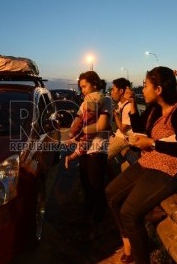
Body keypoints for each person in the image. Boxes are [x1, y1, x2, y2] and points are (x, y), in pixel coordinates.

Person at [105, 66, 177, 263]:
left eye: (145, 85)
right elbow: (142, 131)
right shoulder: (155, 109)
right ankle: (128, 243)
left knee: (129, 212)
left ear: (158, 90)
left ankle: (141, 259)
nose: (142, 89)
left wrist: (153, 143)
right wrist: (131, 105)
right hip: (149, 160)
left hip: (171, 167)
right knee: (111, 194)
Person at [66, 70, 112, 238]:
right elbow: (78, 120)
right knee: (87, 187)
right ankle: (87, 218)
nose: (83, 90)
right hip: (85, 150)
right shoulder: (85, 101)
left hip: (97, 151)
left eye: (84, 86)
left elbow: (103, 125)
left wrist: (81, 131)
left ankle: (97, 223)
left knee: (97, 189)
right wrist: (73, 135)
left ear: (94, 83)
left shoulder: (105, 100)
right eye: (81, 87)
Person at [65, 91, 104, 169]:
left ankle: (70, 156)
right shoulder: (89, 115)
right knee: (82, 148)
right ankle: (70, 158)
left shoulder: (89, 114)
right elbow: (77, 125)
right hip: (85, 136)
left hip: (88, 136)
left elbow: (77, 124)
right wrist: (72, 134)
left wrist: (72, 134)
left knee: (81, 147)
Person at [108, 78, 134, 162]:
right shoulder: (120, 103)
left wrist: (115, 114)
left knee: (101, 157)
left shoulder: (128, 106)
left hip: (124, 138)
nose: (111, 92)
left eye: (113, 89)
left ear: (121, 91)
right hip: (118, 135)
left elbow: (123, 129)